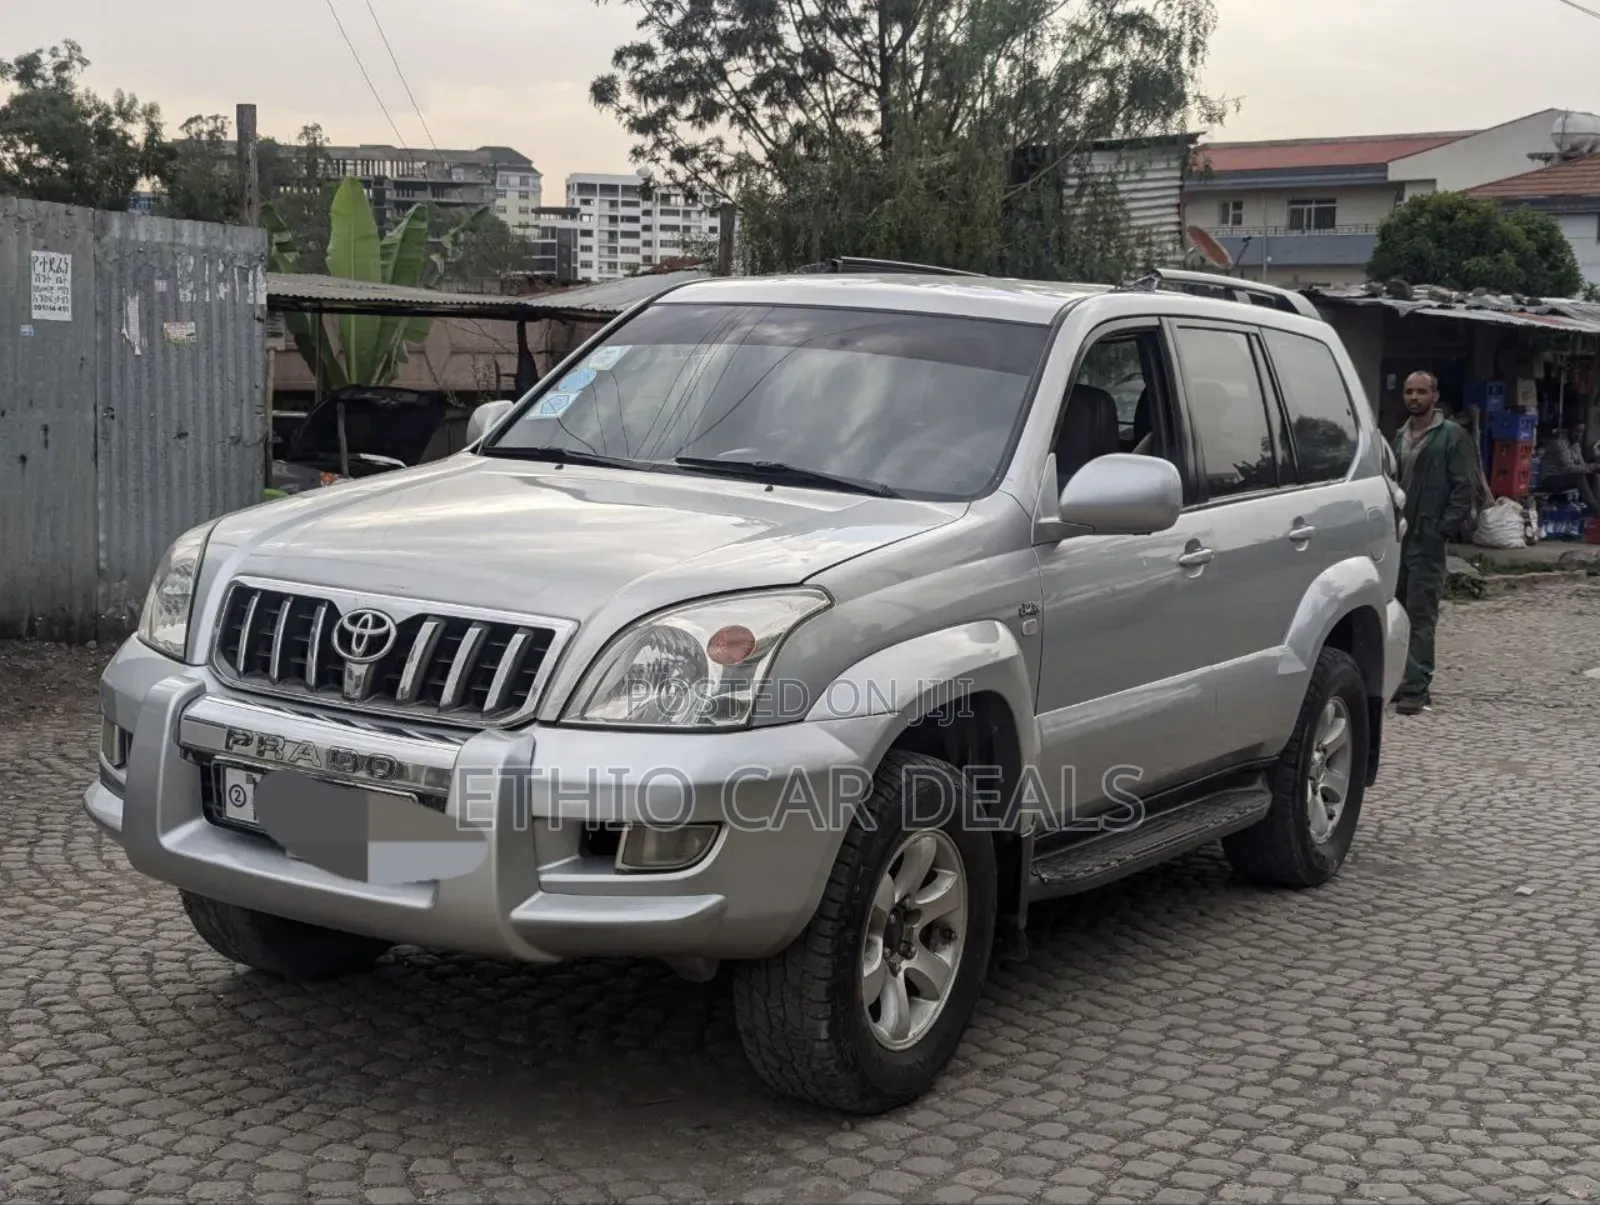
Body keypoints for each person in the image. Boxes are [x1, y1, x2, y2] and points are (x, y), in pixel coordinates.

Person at [1391, 371, 1478, 715]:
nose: (1414, 397)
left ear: (1435, 396)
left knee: (1420, 615)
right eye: (1409, 391)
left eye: (1421, 392)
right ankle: (1397, 680)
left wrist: (1443, 529)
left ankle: (1417, 688)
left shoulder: (1451, 436)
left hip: (1427, 539)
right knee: (1396, 613)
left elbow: (1464, 487)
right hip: (1399, 536)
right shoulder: (1400, 434)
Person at [1539, 423, 1600, 514]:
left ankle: (1595, 505)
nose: (1579, 434)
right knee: (1579, 477)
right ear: (1570, 430)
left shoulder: (1576, 446)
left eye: (1582, 432)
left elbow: (1582, 465)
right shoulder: (1559, 444)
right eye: (1577, 431)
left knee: (1592, 475)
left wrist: (1593, 468)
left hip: (1564, 477)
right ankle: (1597, 510)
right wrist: (1592, 467)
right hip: (1549, 479)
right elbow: (1569, 467)